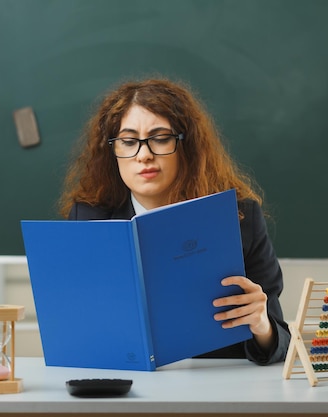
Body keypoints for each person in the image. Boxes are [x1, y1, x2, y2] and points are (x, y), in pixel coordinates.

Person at [58, 78, 290, 365]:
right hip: (127, 383)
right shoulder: (89, 218)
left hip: (218, 388)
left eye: (160, 138)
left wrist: (261, 323)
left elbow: (280, 342)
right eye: (129, 142)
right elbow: (78, 329)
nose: (144, 155)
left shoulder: (239, 217)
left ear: (186, 146)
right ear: (112, 151)